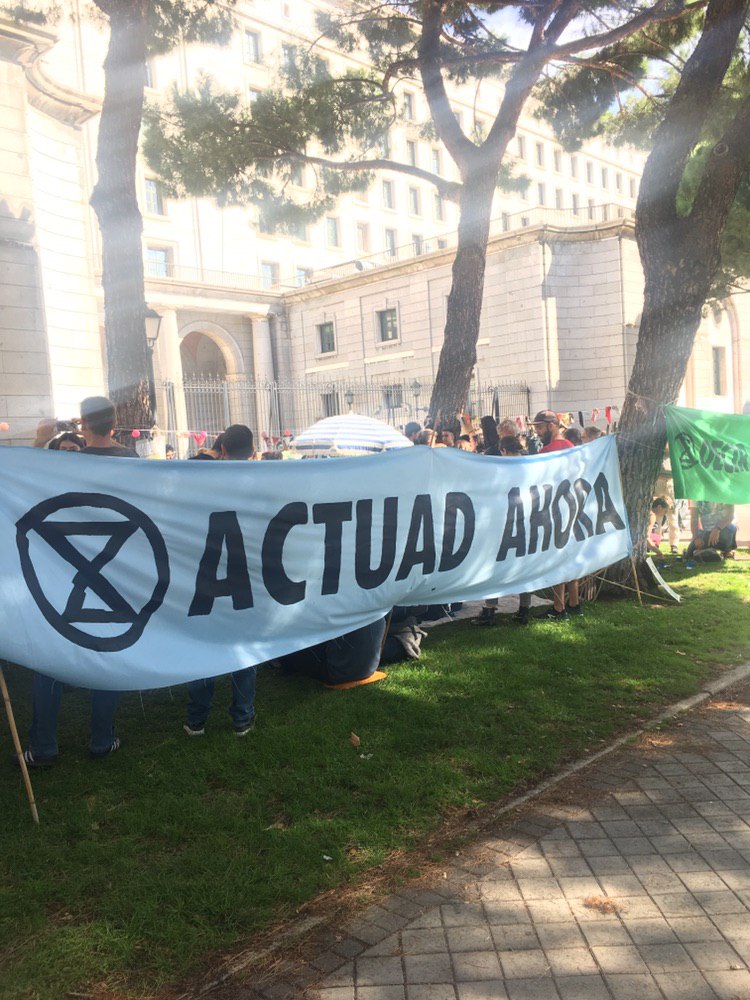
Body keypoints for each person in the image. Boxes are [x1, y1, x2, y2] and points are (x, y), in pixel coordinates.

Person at [23, 396, 133, 767]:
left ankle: (43, 747)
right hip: (117, 571)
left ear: (83, 423)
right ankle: (102, 740)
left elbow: (20, 476)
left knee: (51, 656)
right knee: (105, 649)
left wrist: (40, 440)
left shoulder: (67, 463)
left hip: (60, 570)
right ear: (115, 421)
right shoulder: (133, 463)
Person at [184, 424, 257, 737]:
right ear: (253, 452)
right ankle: (242, 717)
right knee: (244, 647)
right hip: (245, 576)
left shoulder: (203, 479)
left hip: (206, 574)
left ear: (222, 449)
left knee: (205, 647)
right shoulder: (264, 482)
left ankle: (197, 719)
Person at [475, 435, 532, 626]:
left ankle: (490, 610)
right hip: (525, 523)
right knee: (524, 567)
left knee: (495, 565)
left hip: (504, 523)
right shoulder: (531, 465)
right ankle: (524, 610)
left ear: (504, 451)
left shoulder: (501, 469)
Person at [532, 410, 581, 622]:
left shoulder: (548, 451)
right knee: (568, 556)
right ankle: (574, 603)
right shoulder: (570, 447)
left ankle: (559, 609)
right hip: (570, 505)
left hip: (554, 507)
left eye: (540, 427)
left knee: (557, 557)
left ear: (552, 425)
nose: (537, 432)